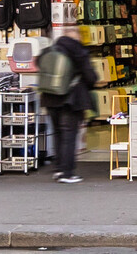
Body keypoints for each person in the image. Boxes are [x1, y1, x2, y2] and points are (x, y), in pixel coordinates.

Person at [42, 31, 99, 183]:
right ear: (77, 38)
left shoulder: (50, 50)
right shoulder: (79, 52)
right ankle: (67, 173)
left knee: (58, 135)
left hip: (50, 99)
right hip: (71, 100)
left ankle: (59, 169)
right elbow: (91, 77)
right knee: (69, 136)